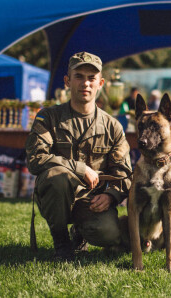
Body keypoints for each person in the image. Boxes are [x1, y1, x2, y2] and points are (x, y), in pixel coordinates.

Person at [26, 51, 132, 261]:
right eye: (79, 76)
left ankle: (80, 233)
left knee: (109, 233)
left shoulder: (112, 126)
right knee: (58, 176)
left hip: (91, 200)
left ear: (101, 83)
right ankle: (61, 242)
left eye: (91, 78)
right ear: (67, 81)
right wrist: (81, 169)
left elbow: (124, 173)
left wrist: (111, 196)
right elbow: (36, 158)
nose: (86, 83)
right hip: (56, 194)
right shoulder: (48, 117)